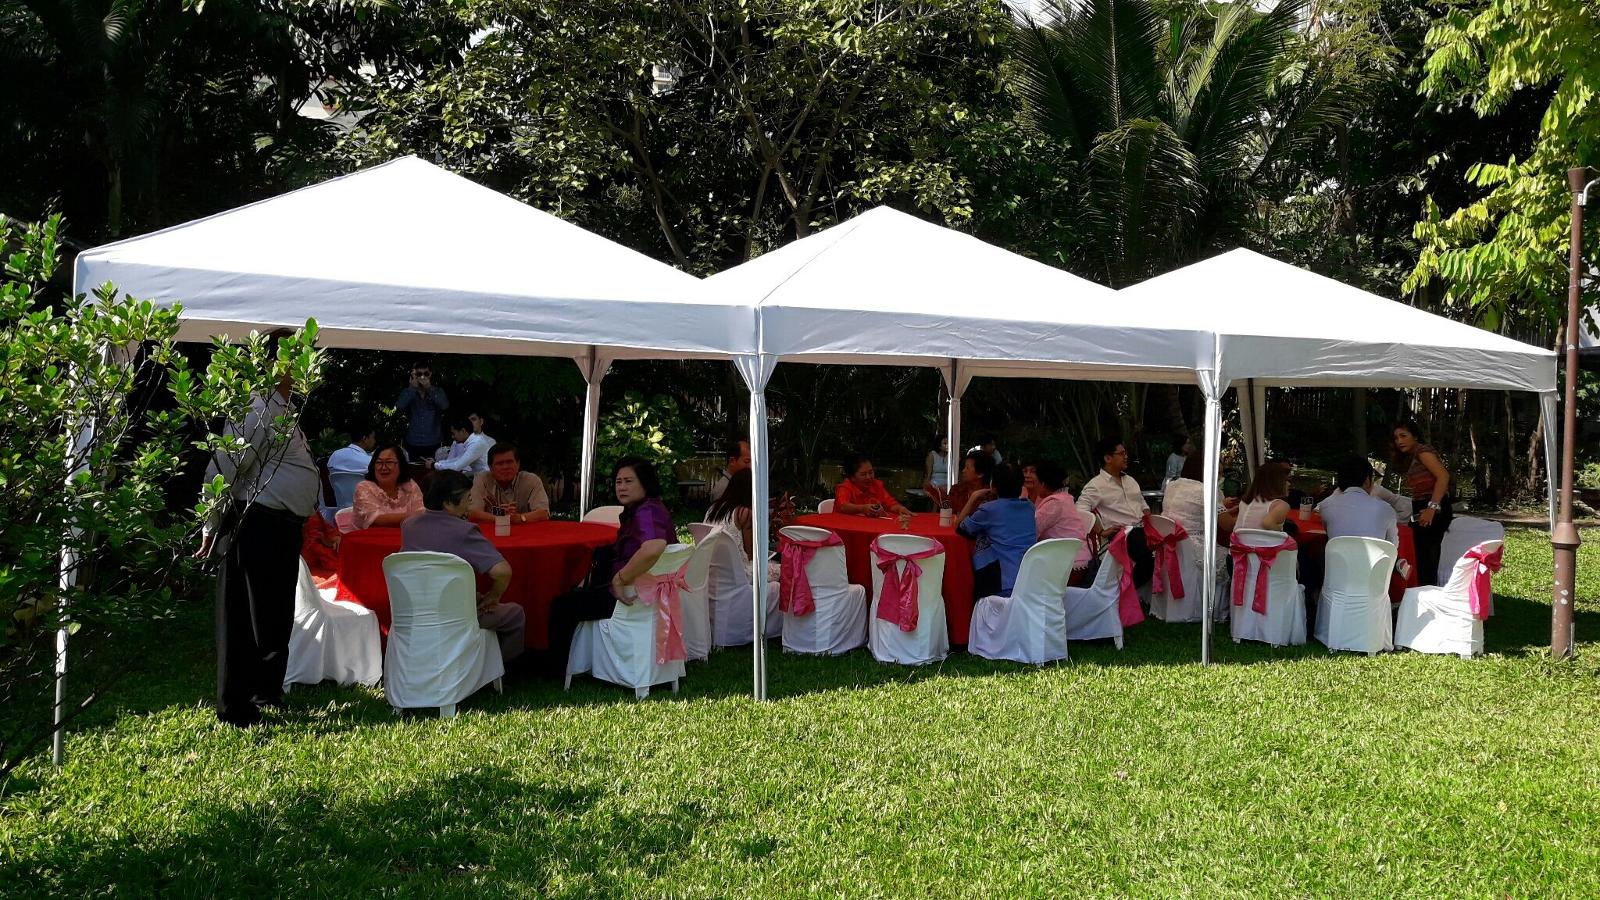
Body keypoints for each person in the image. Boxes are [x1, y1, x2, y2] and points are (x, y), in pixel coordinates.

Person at [195, 339, 321, 728]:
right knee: (243, 617)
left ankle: (265, 692)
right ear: (278, 362)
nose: (307, 363)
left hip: (280, 525)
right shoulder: (256, 405)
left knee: (273, 614)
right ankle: (236, 708)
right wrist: (210, 521)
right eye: (299, 356)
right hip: (255, 521)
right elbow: (226, 465)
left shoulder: (283, 407)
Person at [546, 457, 677, 676]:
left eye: (628, 481)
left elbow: (653, 547)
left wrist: (619, 579)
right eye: (618, 482)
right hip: (643, 589)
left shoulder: (647, 512)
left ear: (645, 483)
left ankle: (556, 669)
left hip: (631, 594)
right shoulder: (641, 508)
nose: (622, 487)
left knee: (561, 606)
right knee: (575, 592)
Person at [400, 471, 524, 664]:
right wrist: (493, 596)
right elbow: (502, 571)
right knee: (515, 613)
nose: (470, 505)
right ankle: (501, 667)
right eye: (468, 499)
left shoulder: (409, 525)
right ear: (448, 503)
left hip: (415, 610)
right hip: (455, 614)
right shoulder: (463, 531)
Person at [1077, 436, 1154, 585]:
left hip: (1142, 532)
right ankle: (1127, 590)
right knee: (1146, 553)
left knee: (1169, 539)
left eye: (1125, 453)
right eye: (1121, 453)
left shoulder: (1130, 480)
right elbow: (1079, 510)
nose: (1126, 457)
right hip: (1122, 536)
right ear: (1108, 458)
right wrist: (1101, 531)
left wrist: (1152, 521)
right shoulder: (1096, 485)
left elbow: (1142, 504)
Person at [957, 464, 1037, 599]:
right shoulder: (1030, 507)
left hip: (1001, 584)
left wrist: (973, 498)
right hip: (1029, 580)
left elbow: (961, 528)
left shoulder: (989, 509)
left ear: (993, 486)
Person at [1393, 419, 1452, 586]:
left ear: (1415, 436)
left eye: (1403, 436)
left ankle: (1427, 593)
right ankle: (1422, 591)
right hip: (1423, 506)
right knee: (1421, 556)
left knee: (1426, 558)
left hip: (1433, 506)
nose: (1399, 441)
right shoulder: (1414, 455)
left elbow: (1443, 476)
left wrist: (1432, 508)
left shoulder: (1422, 452)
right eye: (1396, 438)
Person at [705, 468, 782, 583]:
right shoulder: (744, 512)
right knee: (787, 569)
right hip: (738, 574)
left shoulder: (713, 509)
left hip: (713, 571)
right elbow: (751, 553)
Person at [1031, 460, 1093, 580]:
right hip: (1079, 558)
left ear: (1043, 484)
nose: (1035, 486)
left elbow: (1032, 531)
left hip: (1069, 566)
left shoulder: (1054, 504)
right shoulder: (1065, 498)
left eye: (1036, 482)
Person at [1317, 456, 1400, 546]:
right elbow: (1392, 545)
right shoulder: (1386, 509)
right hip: (1375, 555)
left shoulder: (1326, 505)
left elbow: (1331, 535)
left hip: (1336, 555)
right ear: (1367, 481)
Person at [467, 443, 550, 525]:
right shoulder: (482, 479)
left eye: (509, 462)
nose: (505, 467)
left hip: (526, 531)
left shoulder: (531, 480)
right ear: (491, 468)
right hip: (492, 531)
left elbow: (543, 513)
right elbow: (473, 513)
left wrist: (519, 518)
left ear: (518, 464)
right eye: (499, 463)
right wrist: (503, 518)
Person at [351, 444, 425, 529]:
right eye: (379, 463)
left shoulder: (410, 485)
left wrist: (418, 516)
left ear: (401, 465)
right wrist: (414, 516)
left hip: (407, 535)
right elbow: (376, 519)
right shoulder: (364, 487)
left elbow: (422, 512)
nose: (383, 467)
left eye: (389, 462)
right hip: (372, 535)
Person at [833, 454, 913, 527]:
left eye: (871, 472)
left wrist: (900, 508)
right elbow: (843, 506)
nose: (868, 477)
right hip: (846, 527)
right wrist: (862, 508)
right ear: (852, 477)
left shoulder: (876, 485)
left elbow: (890, 503)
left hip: (872, 527)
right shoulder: (845, 487)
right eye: (863, 474)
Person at [397, 362, 449, 462]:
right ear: (414, 375)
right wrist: (412, 388)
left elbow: (444, 406)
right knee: (413, 469)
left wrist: (429, 388)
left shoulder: (438, 391)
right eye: (419, 374)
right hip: (413, 442)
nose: (422, 377)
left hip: (434, 442)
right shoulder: (408, 391)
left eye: (426, 374)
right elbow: (400, 407)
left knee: (434, 470)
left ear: (430, 374)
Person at [1231, 460, 1292, 532]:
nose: (1289, 484)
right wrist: (1282, 534)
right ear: (1275, 483)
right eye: (1285, 480)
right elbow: (1268, 523)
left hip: (1237, 538)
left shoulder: (1245, 501)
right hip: (1261, 539)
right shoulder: (1281, 505)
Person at [946, 450, 994, 515]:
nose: (963, 471)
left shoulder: (989, 495)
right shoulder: (956, 490)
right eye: (964, 467)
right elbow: (947, 514)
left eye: (967, 468)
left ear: (980, 474)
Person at [708, 439, 751, 503]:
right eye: (747, 461)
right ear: (732, 461)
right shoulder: (723, 489)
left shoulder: (735, 484)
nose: (750, 466)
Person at [922, 435, 950, 507]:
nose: (947, 445)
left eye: (948, 443)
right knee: (938, 491)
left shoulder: (951, 456)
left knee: (947, 490)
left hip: (948, 483)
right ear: (939, 446)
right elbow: (928, 474)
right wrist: (926, 487)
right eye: (945, 443)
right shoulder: (932, 455)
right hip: (935, 483)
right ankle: (935, 510)